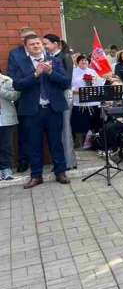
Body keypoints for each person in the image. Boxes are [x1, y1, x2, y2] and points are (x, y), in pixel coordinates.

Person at [10, 34, 70, 188]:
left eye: (38, 43)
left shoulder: (55, 61)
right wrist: (36, 74)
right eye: (32, 44)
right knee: (33, 144)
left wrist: (50, 73)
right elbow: (17, 85)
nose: (36, 46)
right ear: (26, 47)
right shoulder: (20, 63)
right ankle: (36, 176)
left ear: (42, 45)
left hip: (53, 109)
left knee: (56, 143)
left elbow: (65, 83)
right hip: (32, 111)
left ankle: (60, 172)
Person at [43, 34, 76, 169]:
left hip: (64, 95)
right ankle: (63, 161)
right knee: (58, 129)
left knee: (65, 128)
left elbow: (67, 80)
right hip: (53, 97)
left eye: (46, 43)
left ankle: (69, 162)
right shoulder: (48, 58)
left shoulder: (65, 57)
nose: (44, 46)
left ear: (55, 44)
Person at [7, 27, 37, 173]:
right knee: (24, 132)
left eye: (32, 36)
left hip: (42, 98)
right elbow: (13, 76)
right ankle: (24, 160)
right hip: (24, 97)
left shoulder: (42, 52)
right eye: (26, 37)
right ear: (22, 40)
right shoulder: (15, 54)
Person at [71, 55, 104, 149]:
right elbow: (69, 86)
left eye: (86, 60)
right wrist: (78, 91)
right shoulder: (73, 72)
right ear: (77, 62)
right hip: (79, 102)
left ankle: (92, 142)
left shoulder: (92, 71)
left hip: (92, 102)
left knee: (93, 123)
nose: (84, 62)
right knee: (79, 124)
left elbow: (99, 84)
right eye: (82, 60)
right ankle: (79, 143)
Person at [0, 67, 20, 180]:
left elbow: (16, 95)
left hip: (5, 119)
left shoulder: (7, 80)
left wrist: (1, 91)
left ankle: (6, 168)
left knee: (6, 145)